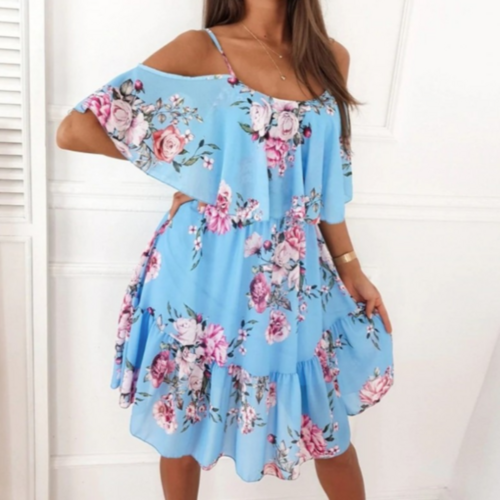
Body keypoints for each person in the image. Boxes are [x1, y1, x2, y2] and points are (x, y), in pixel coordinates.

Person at [56, 1, 395, 499]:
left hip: (290, 281)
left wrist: (350, 266)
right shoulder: (202, 49)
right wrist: (193, 166)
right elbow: (77, 128)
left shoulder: (330, 58)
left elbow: (322, 185)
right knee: (180, 423)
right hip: (201, 271)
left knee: (326, 428)